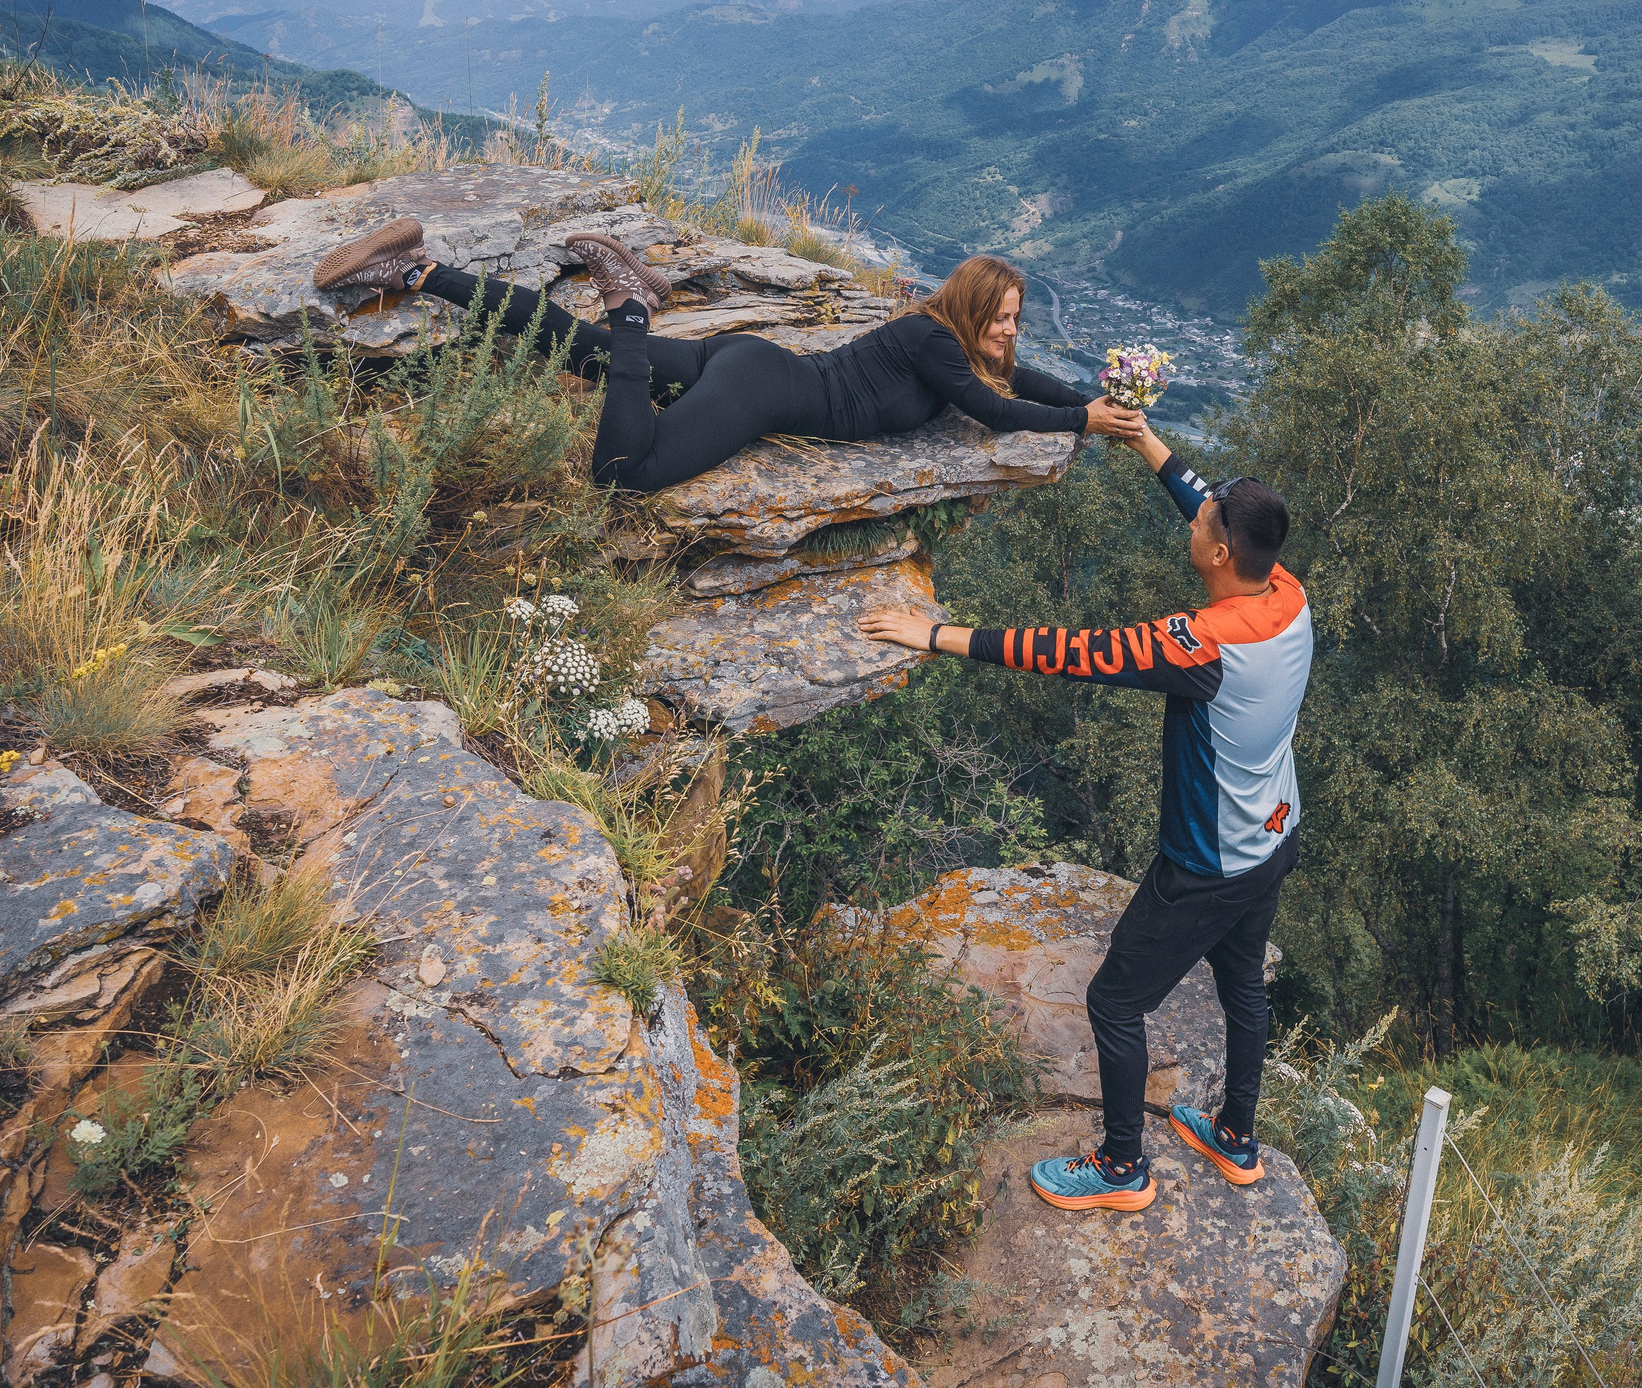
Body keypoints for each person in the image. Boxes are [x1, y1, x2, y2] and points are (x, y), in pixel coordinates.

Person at [857, 431, 1307, 1214]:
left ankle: (1122, 1165)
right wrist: (1145, 443)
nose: (1192, 522)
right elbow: (1206, 502)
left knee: (1113, 1001)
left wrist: (937, 636)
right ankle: (1236, 1136)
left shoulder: (1202, 646)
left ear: (1218, 556)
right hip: (1274, 834)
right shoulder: (1286, 592)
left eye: (1203, 524)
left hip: (1208, 862)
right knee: (1242, 985)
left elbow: (1073, 651)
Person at [310, 223, 1144, 492]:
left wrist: (1103, 407)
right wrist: (1078, 419)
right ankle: (633, 301)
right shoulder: (934, 342)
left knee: (578, 350)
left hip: (754, 364)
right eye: (1001, 317)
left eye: (1015, 319)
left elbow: (1015, 380)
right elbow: (995, 411)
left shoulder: (955, 341)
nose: (1009, 330)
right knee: (623, 472)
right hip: (759, 391)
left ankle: (417, 270)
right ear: (970, 310)